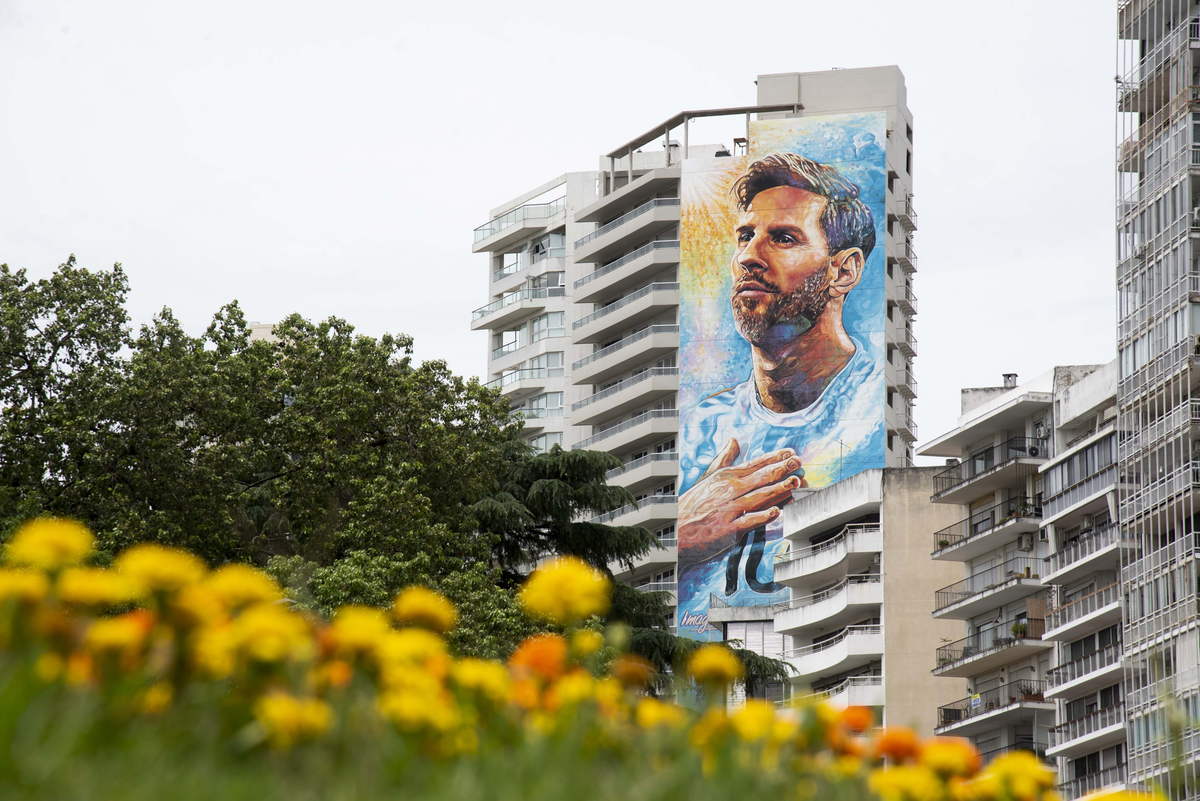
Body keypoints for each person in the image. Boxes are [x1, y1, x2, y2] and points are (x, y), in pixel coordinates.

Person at [678, 151, 884, 598]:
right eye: (745, 236)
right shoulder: (702, 427)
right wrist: (682, 533)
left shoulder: (872, 418)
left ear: (843, 270)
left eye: (784, 238)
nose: (749, 256)